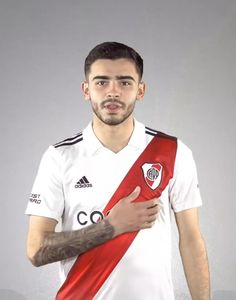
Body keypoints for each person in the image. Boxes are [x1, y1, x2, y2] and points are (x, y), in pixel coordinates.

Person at [25, 42, 210, 300]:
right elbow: (36, 250)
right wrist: (110, 227)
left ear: (140, 90)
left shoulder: (172, 151)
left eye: (125, 82)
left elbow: (191, 240)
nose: (113, 92)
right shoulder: (59, 157)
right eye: (101, 82)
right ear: (86, 90)